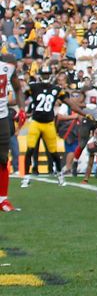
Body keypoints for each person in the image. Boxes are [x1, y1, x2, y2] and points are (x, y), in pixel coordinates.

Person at [21, 69, 90, 188]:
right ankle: (26, 177)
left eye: (47, 74)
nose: (45, 76)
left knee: (54, 153)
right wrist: (22, 109)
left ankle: (60, 176)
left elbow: (70, 104)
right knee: (30, 150)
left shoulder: (56, 89)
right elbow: (21, 97)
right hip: (36, 122)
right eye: (44, 74)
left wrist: (83, 114)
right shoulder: (34, 87)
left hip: (48, 123)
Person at [0, 54, 26, 212]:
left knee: (2, 158)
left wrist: (22, 108)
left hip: (2, 117)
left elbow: (17, 88)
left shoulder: (7, 66)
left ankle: (2, 199)